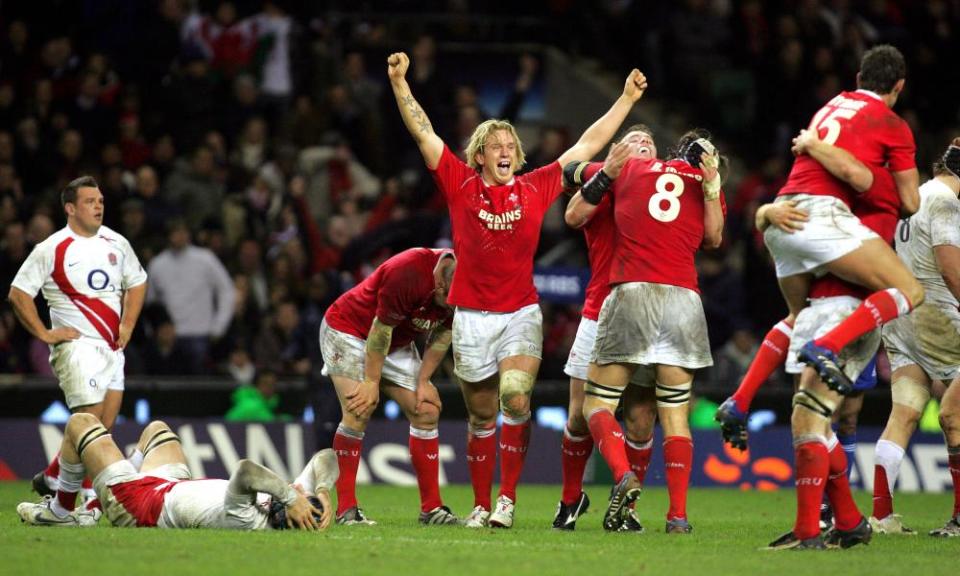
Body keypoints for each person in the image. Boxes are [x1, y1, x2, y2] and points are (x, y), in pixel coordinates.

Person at [387, 50, 647, 529]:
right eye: (497, 145)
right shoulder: (459, 183)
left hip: (520, 313)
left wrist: (626, 100)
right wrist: (401, 84)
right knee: (482, 417)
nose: (506, 150)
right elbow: (424, 131)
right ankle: (482, 505)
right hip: (470, 317)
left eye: (511, 143)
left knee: (516, 397)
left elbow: (587, 144)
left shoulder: (535, 186)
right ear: (481, 155)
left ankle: (506, 501)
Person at [726, 45, 922, 406]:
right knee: (910, 291)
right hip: (823, 227)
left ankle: (740, 398)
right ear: (899, 87)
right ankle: (826, 346)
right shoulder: (890, 128)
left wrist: (766, 211)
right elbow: (905, 199)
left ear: (859, 79)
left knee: (796, 316)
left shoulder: (828, 108)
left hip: (781, 216)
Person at [565, 129, 725, 534]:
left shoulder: (629, 169)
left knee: (596, 404)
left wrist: (601, 168)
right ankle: (678, 517)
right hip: (684, 300)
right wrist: (711, 186)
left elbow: (570, 171)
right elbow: (714, 238)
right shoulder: (703, 180)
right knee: (674, 415)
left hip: (633, 292)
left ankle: (620, 475)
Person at [8, 176, 147, 505]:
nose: (98, 205)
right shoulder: (52, 248)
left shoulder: (117, 242)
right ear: (70, 208)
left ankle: (55, 474)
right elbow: (18, 294)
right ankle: (74, 498)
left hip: (113, 347)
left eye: (100, 200)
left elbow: (138, 281)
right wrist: (45, 334)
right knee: (90, 422)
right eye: (90, 201)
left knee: (105, 424)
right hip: (78, 346)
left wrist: (127, 324)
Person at [554, 124, 660, 532]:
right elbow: (572, 214)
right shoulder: (606, 183)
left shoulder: (666, 193)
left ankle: (625, 509)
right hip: (600, 310)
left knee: (641, 418)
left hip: (651, 314)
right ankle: (569, 500)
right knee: (579, 415)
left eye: (650, 142)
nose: (644, 144)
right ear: (617, 151)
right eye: (635, 140)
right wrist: (608, 172)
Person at [320, 247, 458, 526]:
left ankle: (431, 509)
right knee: (359, 408)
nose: (453, 307)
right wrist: (371, 381)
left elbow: (444, 332)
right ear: (440, 282)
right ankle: (346, 509)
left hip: (395, 342)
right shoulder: (407, 271)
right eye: (449, 300)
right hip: (349, 330)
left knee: (427, 410)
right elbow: (380, 329)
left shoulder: (466, 284)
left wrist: (423, 380)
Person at [17, 413, 336, 530]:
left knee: (80, 424)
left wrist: (288, 495)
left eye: (299, 498)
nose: (299, 494)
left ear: (290, 509)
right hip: (170, 483)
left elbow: (246, 471)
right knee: (157, 429)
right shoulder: (288, 503)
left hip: (139, 504)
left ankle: (60, 511)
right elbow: (327, 457)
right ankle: (94, 504)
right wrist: (322, 491)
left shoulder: (248, 519)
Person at [872, 139, 960, 537]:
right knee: (953, 417)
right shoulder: (944, 201)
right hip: (938, 319)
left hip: (902, 316)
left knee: (904, 414)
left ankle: (882, 514)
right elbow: (949, 267)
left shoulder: (917, 194)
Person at [146, 219, 235, 373]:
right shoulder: (157, 265)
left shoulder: (206, 259)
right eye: (175, 232)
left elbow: (226, 290)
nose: (179, 236)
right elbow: (150, 303)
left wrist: (219, 326)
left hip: (200, 334)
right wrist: (155, 331)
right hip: (169, 340)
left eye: (183, 232)